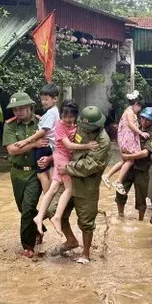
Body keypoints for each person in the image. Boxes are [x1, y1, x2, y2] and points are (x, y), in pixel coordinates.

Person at [33, 100, 97, 236]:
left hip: (59, 158)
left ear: (75, 116)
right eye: (65, 116)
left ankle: (39, 216)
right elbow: (68, 145)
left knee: (53, 188)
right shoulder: (60, 126)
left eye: (71, 116)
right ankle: (57, 217)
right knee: (69, 189)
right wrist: (87, 146)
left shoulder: (76, 126)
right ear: (61, 115)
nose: (67, 119)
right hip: (62, 159)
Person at [58, 106, 111, 264]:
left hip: (87, 185)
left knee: (86, 221)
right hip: (69, 181)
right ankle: (71, 240)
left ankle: (86, 253)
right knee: (55, 212)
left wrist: (67, 167)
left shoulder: (103, 141)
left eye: (88, 129)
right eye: (83, 127)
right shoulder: (80, 129)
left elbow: (91, 164)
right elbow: (67, 146)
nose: (84, 131)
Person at [3, 92, 53, 258]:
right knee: (22, 208)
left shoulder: (41, 122)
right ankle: (39, 228)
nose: (18, 112)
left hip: (35, 172)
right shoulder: (9, 125)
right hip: (17, 173)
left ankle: (28, 246)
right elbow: (11, 149)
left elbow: (51, 144)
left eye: (21, 108)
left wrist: (49, 158)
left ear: (30, 107)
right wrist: (34, 144)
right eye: (15, 109)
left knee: (27, 208)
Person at [13, 84, 60, 194]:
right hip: (50, 146)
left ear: (55, 99)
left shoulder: (50, 113)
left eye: (46, 100)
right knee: (47, 171)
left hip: (44, 145)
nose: (43, 102)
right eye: (42, 99)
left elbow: (43, 131)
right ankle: (50, 198)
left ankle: (47, 198)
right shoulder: (54, 111)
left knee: (41, 174)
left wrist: (26, 140)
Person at [102, 91, 149, 195]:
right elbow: (132, 125)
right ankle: (118, 181)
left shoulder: (127, 111)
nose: (140, 110)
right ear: (136, 104)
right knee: (130, 160)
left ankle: (107, 175)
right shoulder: (130, 112)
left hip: (125, 140)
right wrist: (141, 133)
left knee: (125, 160)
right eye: (140, 107)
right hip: (128, 140)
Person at [115, 107, 152, 221]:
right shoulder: (134, 128)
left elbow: (145, 153)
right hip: (129, 167)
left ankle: (141, 220)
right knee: (120, 191)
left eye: (147, 119)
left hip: (142, 169)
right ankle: (120, 216)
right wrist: (123, 152)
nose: (144, 121)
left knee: (141, 197)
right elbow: (123, 138)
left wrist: (128, 157)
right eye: (142, 117)